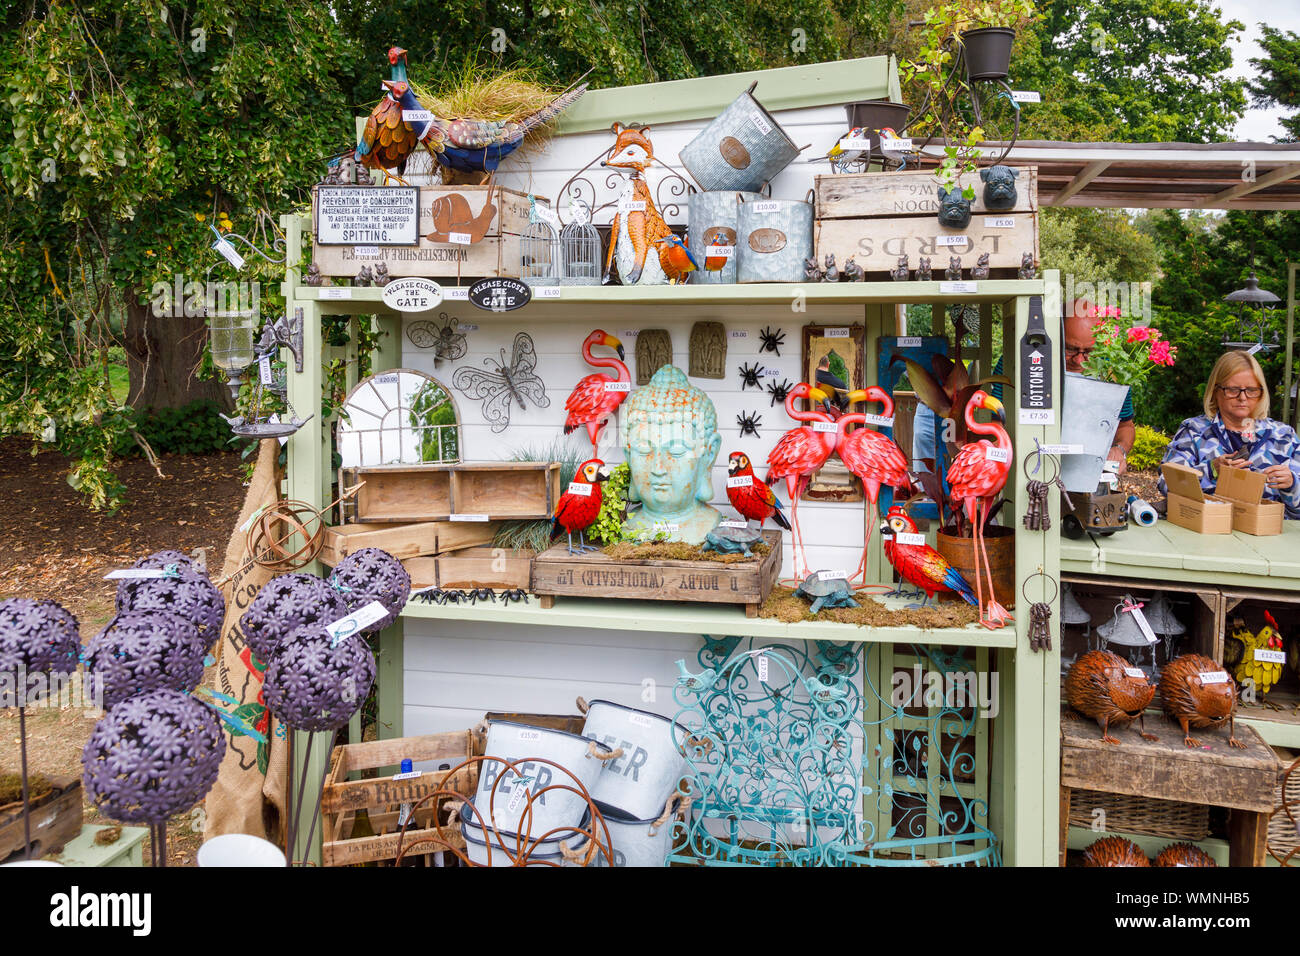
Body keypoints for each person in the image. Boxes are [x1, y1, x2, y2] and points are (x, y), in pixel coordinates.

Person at [992, 298, 1136, 473]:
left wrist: (1119, 450)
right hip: (1026, 468)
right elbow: (995, 422)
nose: (1079, 360)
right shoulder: (1016, 360)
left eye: (1089, 352)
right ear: (1054, 335)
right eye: (1070, 349)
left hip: (1086, 474)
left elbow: (1125, 425)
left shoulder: (1111, 367)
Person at [1159, 350, 1300, 517]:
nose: (1243, 397)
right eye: (1233, 390)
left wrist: (1292, 484)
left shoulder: (1283, 436)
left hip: (1267, 534)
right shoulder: (1194, 431)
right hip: (1206, 530)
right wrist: (1211, 470)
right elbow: (1167, 483)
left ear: (1261, 393)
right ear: (1215, 391)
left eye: (1251, 390)